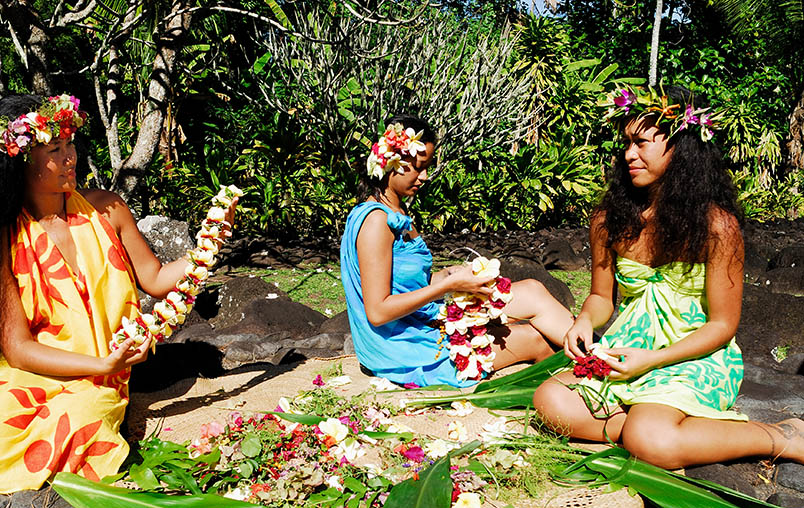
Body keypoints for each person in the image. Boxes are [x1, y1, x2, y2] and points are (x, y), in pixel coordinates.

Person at [0, 94, 235, 493]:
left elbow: (157, 278)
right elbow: (19, 348)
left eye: (69, 144)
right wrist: (103, 364)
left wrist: (209, 243)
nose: (69, 157)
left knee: (84, 427)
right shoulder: (3, 238)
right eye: (54, 149)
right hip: (35, 370)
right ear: (19, 163)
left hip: (96, 381)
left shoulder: (106, 209)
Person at [533, 84, 804, 468]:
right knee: (551, 402)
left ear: (681, 148)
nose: (629, 154)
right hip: (626, 351)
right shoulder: (608, 221)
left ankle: (783, 434)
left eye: (641, 143)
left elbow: (723, 325)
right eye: (626, 143)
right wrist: (582, 322)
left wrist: (655, 359)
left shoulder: (717, 227)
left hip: (694, 354)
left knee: (652, 440)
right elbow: (599, 298)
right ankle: (653, 431)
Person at [340, 115, 574, 388]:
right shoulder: (375, 222)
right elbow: (378, 312)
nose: (424, 176)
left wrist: (447, 275)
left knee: (533, 289)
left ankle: (598, 353)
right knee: (533, 339)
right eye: (418, 167)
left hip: (420, 320)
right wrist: (449, 286)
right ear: (391, 164)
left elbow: (404, 283)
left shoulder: (397, 211)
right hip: (403, 346)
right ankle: (590, 372)